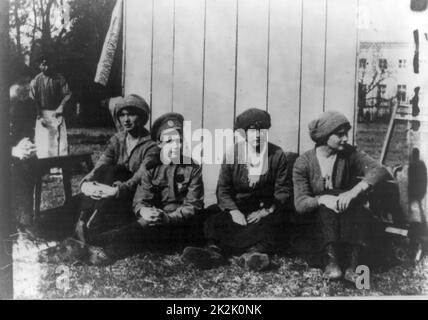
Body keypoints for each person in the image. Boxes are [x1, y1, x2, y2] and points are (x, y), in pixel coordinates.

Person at [80, 112, 204, 264]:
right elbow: (140, 200)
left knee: (142, 233)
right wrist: (144, 210)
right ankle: (97, 245)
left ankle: (100, 245)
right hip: (155, 221)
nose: (175, 146)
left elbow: (193, 205)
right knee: (143, 230)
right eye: (169, 141)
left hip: (180, 224)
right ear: (160, 144)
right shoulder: (152, 168)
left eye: (179, 141)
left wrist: (168, 218)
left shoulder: (193, 168)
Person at [182, 108, 294, 271]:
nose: (257, 135)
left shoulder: (277, 155)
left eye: (262, 131)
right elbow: (223, 189)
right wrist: (234, 211)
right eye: (252, 131)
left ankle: (253, 255)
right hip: (238, 209)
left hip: (263, 211)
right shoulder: (232, 153)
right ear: (244, 133)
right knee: (211, 218)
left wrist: (267, 211)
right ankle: (213, 252)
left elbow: (282, 190)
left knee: (277, 223)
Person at [292, 111, 391, 283]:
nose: (345, 138)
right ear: (324, 136)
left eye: (346, 133)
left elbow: (379, 170)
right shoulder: (303, 162)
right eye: (340, 134)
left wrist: (354, 191)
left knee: (354, 203)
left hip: (346, 221)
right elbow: (300, 204)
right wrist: (322, 200)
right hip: (317, 225)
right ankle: (332, 264)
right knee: (328, 200)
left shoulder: (349, 154)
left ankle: (352, 266)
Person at [74, 94, 159, 263]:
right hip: (107, 197)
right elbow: (99, 167)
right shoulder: (117, 140)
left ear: (142, 117)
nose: (126, 119)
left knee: (116, 170)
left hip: (131, 197)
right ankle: (82, 222)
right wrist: (86, 185)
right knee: (107, 170)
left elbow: (139, 178)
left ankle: (86, 224)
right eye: (122, 115)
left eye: (131, 114)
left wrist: (114, 190)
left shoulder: (152, 145)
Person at [10, 72, 39, 236]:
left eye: (29, 82)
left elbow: (26, 133)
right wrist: (13, 151)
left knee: (29, 163)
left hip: (16, 154)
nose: (27, 87)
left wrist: (27, 146)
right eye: (22, 82)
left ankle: (25, 223)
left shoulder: (28, 104)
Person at [29, 55, 72, 160]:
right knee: (44, 144)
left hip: (57, 114)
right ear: (39, 65)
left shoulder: (59, 78)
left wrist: (61, 107)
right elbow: (33, 100)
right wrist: (39, 116)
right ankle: (44, 170)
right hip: (42, 115)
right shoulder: (36, 81)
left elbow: (67, 94)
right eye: (43, 64)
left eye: (48, 64)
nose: (46, 67)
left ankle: (60, 170)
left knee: (60, 144)